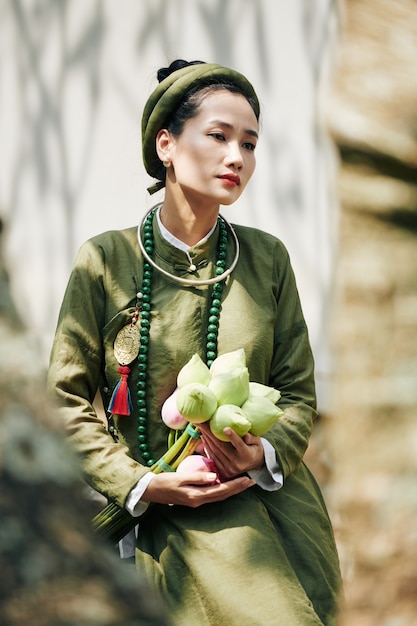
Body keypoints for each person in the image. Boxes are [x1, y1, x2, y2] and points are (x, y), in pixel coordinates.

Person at [48, 59, 342, 626]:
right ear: (166, 144)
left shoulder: (266, 259)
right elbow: (65, 401)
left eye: (250, 144)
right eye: (218, 136)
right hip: (147, 512)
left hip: (264, 513)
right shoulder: (106, 260)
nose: (237, 157)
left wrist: (260, 452)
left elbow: (298, 393)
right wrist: (142, 484)